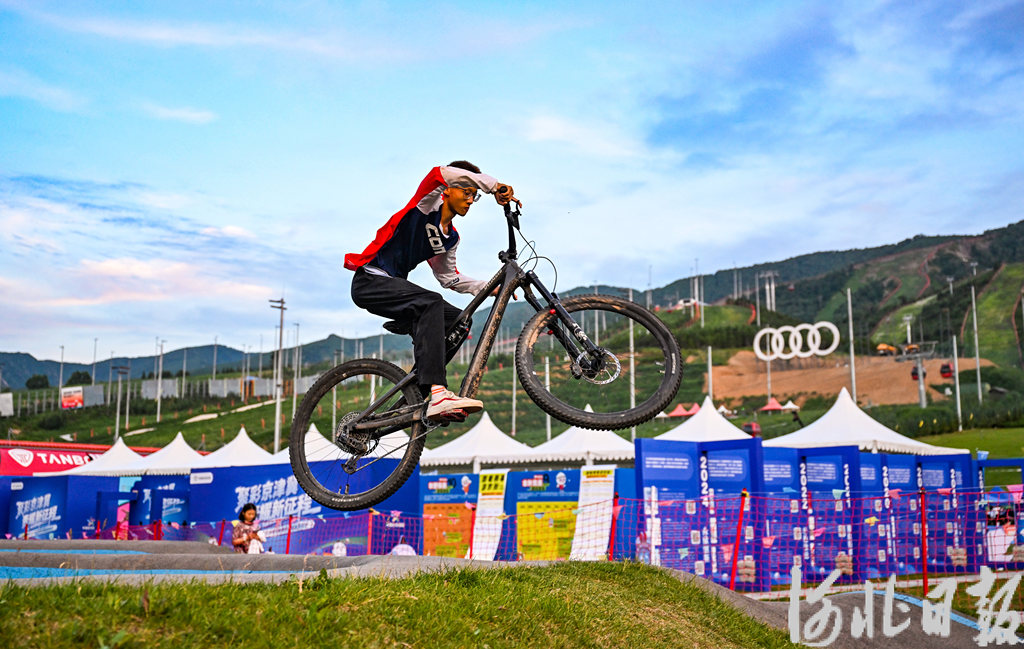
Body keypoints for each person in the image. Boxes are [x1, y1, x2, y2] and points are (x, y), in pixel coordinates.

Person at [344, 161, 519, 422]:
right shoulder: (426, 204)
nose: (470, 200)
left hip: (394, 288)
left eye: (474, 195)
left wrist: (488, 287)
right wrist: (493, 186)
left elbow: (449, 278)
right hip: (370, 279)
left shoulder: (450, 238)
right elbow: (441, 173)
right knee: (431, 302)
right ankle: (439, 392)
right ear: (447, 189)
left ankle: (417, 394)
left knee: (459, 321)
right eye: (466, 191)